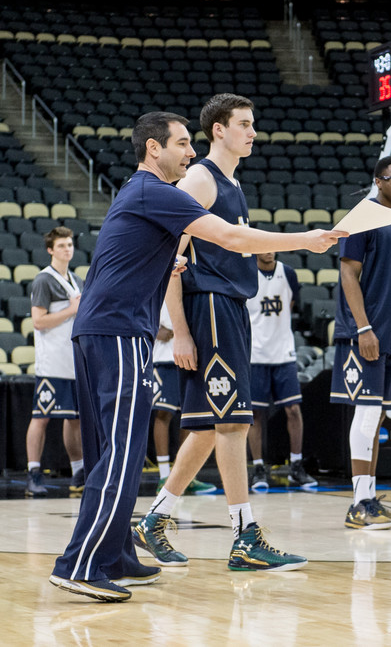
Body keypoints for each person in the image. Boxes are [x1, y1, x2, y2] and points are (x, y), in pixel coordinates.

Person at [49, 109, 343, 603]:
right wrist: (307, 241)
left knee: (112, 449)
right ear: (153, 149)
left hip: (108, 328)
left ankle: (116, 552)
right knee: (122, 452)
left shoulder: (144, 195)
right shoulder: (157, 191)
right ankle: (79, 564)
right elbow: (231, 237)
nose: (191, 151)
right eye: (183, 143)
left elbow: (148, 253)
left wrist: (172, 260)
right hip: (118, 329)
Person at [130, 95, 337, 576]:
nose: (253, 132)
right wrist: (180, 331)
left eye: (253, 123)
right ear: (217, 130)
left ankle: (154, 518)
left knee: (207, 426)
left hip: (227, 307)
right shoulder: (200, 179)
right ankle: (245, 537)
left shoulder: (232, 183)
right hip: (212, 308)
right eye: (244, 124)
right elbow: (171, 260)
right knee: (234, 423)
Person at [331, 155, 391, 530]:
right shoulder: (361, 216)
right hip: (366, 334)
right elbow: (348, 274)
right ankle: (358, 504)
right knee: (366, 413)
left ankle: (369, 497)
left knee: (378, 415)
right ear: (378, 181)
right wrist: (363, 329)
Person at [245, 251, 317, 490]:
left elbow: (291, 304)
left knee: (294, 410)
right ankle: (258, 468)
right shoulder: (247, 273)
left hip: (283, 353)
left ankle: (296, 466)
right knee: (255, 415)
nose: (269, 251)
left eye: (272, 246)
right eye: (264, 246)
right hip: (256, 354)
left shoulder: (287, 273)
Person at [25, 226, 86, 497]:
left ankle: (79, 472)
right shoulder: (43, 280)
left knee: (74, 418)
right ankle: (33, 472)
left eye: (70, 244)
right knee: (42, 417)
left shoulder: (77, 280)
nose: (67, 249)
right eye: (61, 245)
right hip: (51, 362)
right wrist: (72, 310)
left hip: (73, 360)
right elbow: (38, 321)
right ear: (51, 250)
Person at [149, 302, 216, 494]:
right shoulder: (157, 275)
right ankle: (163, 476)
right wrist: (155, 329)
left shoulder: (193, 274)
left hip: (191, 354)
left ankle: (186, 475)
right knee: (163, 414)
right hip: (164, 356)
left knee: (189, 417)